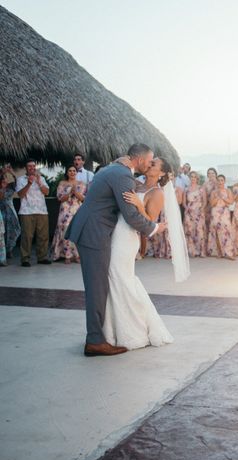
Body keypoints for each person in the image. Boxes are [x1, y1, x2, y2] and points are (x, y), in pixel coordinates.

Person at [65, 143, 168, 357]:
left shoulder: (115, 169)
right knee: (97, 287)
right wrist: (155, 227)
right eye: (149, 161)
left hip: (97, 231)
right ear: (139, 160)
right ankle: (94, 341)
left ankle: (101, 335)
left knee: (103, 285)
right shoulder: (122, 175)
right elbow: (131, 215)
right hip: (94, 233)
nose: (149, 165)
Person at [99, 155, 180, 350]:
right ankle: (112, 329)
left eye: (154, 164)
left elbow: (150, 221)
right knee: (115, 277)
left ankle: (133, 330)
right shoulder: (135, 183)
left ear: (161, 173)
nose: (149, 165)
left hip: (128, 237)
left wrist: (138, 203)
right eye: (150, 162)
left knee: (119, 276)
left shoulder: (157, 193)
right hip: (116, 230)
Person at [16, 159, 50, 267]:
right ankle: (25, 259)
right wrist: (29, 183)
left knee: (43, 236)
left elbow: (46, 192)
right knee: (27, 236)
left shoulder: (42, 178)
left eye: (34, 166)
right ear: (26, 168)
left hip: (42, 211)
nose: (32, 168)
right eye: (29, 166)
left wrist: (39, 181)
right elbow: (20, 194)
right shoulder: (21, 179)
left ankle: (42, 257)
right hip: (27, 211)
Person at [50, 165, 86, 263]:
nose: (72, 172)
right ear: (67, 172)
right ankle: (67, 255)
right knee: (65, 229)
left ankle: (77, 255)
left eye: (74, 171)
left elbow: (83, 198)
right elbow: (60, 198)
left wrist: (76, 192)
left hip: (76, 209)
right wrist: (70, 193)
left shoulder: (81, 184)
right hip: (65, 210)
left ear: (76, 172)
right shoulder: (62, 183)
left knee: (77, 230)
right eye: (70, 171)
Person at [208, 174, 235, 260]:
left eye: (221, 180)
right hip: (216, 212)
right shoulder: (213, 192)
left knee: (227, 231)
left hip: (225, 212)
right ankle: (219, 252)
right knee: (217, 231)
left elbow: (231, 201)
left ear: (224, 181)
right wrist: (217, 197)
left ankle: (228, 252)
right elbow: (212, 204)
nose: (220, 182)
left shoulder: (228, 191)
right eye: (218, 180)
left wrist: (223, 198)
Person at [183, 171, 207, 257]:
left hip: (199, 212)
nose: (193, 178)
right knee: (190, 231)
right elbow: (184, 203)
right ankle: (192, 251)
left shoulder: (201, 188)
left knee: (199, 231)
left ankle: (201, 251)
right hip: (189, 213)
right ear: (189, 178)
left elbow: (204, 202)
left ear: (197, 178)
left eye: (194, 177)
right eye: (191, 177)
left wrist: (201, 210)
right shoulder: (186, 189)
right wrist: (187, 209)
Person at [0, 166, 20, 258]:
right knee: (3, 232)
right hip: (2, 212)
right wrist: (2, 173)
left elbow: (17, 182)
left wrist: (11, 172)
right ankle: (4, 252)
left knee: (14, 230)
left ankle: (10, 249)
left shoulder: (10, 186)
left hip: (10, 211)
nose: (5, 179)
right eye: (4, 177)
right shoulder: (2, 188)